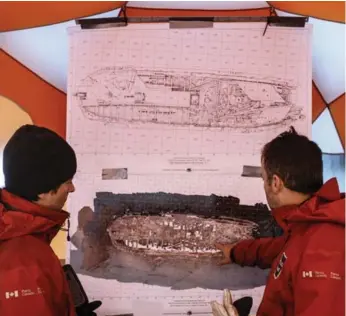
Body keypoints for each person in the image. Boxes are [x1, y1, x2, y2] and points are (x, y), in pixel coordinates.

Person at [216, 126, 345, 316]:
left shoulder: (321, 249)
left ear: (275, 183)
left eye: (264, 178)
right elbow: (282, 249)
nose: (264, 185)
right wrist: (236, 252)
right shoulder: (309, 227)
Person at [0, 125, 101, 316]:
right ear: (42, 189)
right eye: (67, 182)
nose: (71, 189)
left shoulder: (19, 233)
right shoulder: (24, 262)